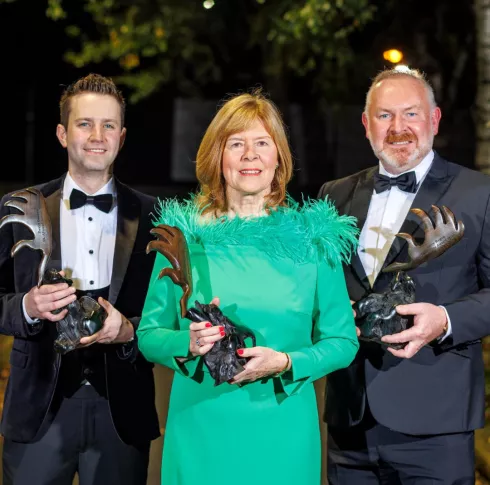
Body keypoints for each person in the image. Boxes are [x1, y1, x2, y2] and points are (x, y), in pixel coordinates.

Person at [137, 90, 359, 485]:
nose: (249, 155)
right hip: (201, 427)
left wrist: (288, 363)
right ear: (218, 157)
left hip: (283, 430)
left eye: (261, 143)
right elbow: (150, 334)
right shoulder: (183, 239)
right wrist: (185, 344)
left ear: (279, 157)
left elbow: (343, 340)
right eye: (235, 144)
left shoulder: (314, 240)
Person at [318, 67, 490, 484]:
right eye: (384, 116)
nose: (398, 128)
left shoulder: (479, 193)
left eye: (411, 114)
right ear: (365, 124)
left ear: (434, 119)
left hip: (436, 425)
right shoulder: (332, 195)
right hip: (350, 420)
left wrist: (446, 320)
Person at [0, 73, 160, 485]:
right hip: (38, 409)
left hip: (121, 411)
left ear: (121, 137)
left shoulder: (156, 216)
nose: (97, 135)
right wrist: (26, 307)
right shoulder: (18, 208)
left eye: (108, 125)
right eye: (84, 123)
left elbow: (171, 313)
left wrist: (129, 330)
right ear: (61, 132)